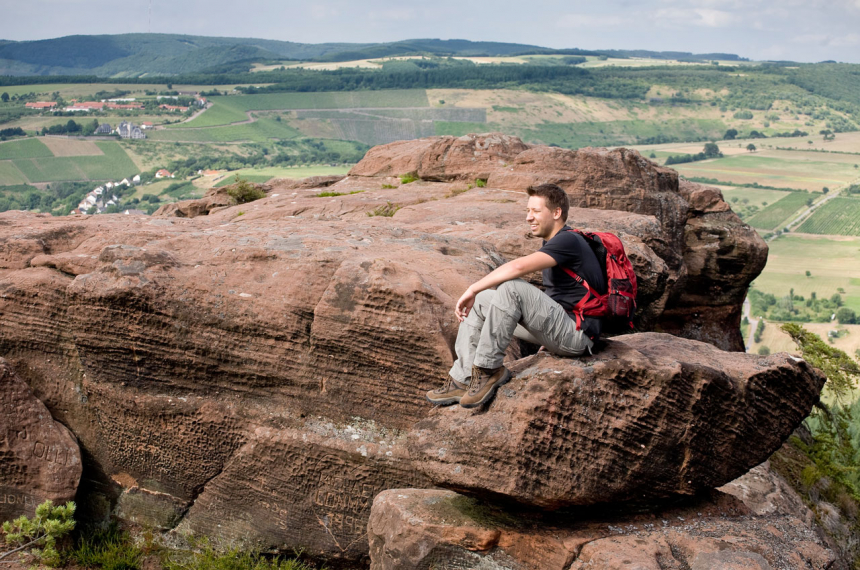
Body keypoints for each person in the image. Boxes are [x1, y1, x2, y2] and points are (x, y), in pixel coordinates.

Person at [426, 183, 606, 408]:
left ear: (556, 212)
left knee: (511, 286)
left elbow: (517, 267)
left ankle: (488, 369)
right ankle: (464, 378)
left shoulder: (568, 240)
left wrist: (472, 288)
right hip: (562, 330)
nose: (529, 217)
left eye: (536, 211)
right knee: (481, 301)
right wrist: (549, 336)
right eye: (528, 211)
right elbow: (560, 296)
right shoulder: (554, 241)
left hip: (578, 335)